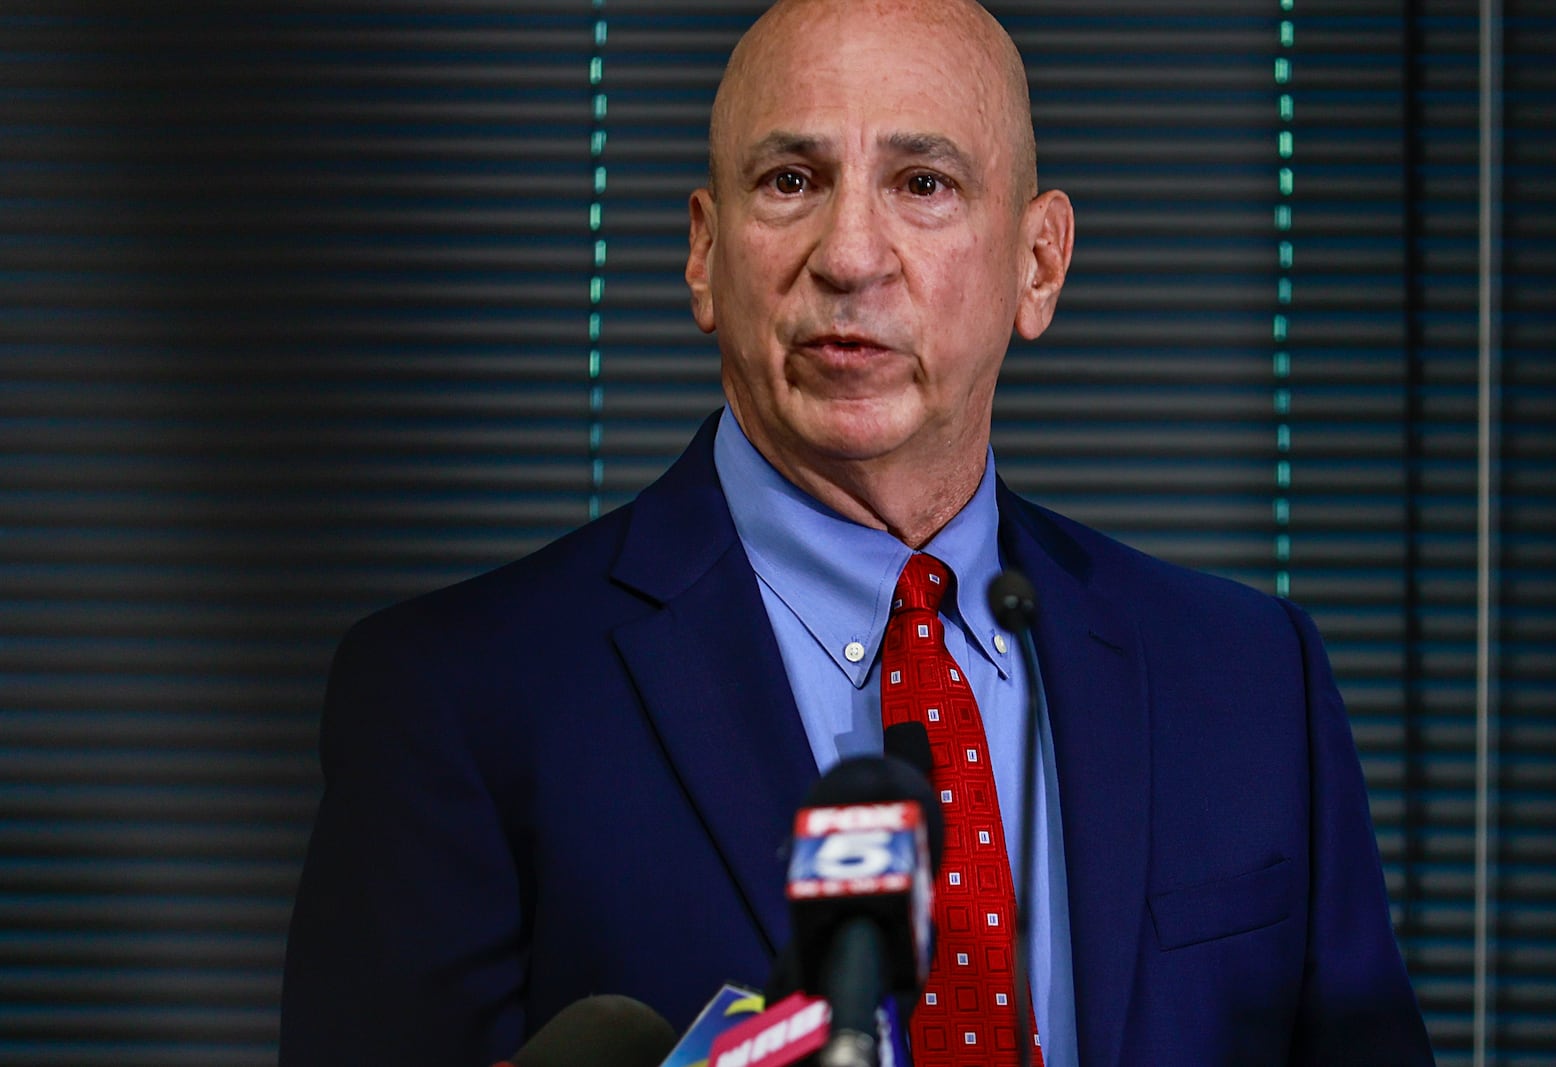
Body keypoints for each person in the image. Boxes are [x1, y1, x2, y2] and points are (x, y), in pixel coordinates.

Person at [279, 1, 1436, 1064]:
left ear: (1039, 264)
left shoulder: (1247, 678)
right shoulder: (454, 696)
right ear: (702, 253)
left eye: (923, 185)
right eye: (790, 179)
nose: (848, 256)